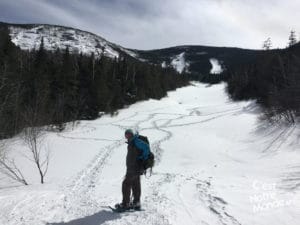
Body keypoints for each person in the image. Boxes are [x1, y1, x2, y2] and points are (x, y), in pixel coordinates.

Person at [115, 129, 150, 211]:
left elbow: (146, 148)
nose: (126, 137)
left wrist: (142, 158)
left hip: (134, 167)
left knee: (126, 184)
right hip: (135, 167)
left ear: (132, 135)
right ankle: (136, 203)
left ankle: (125, 204)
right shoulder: (132, 141)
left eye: (128, 135)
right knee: (135, 184)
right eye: (125, 135)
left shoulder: (136, 141)